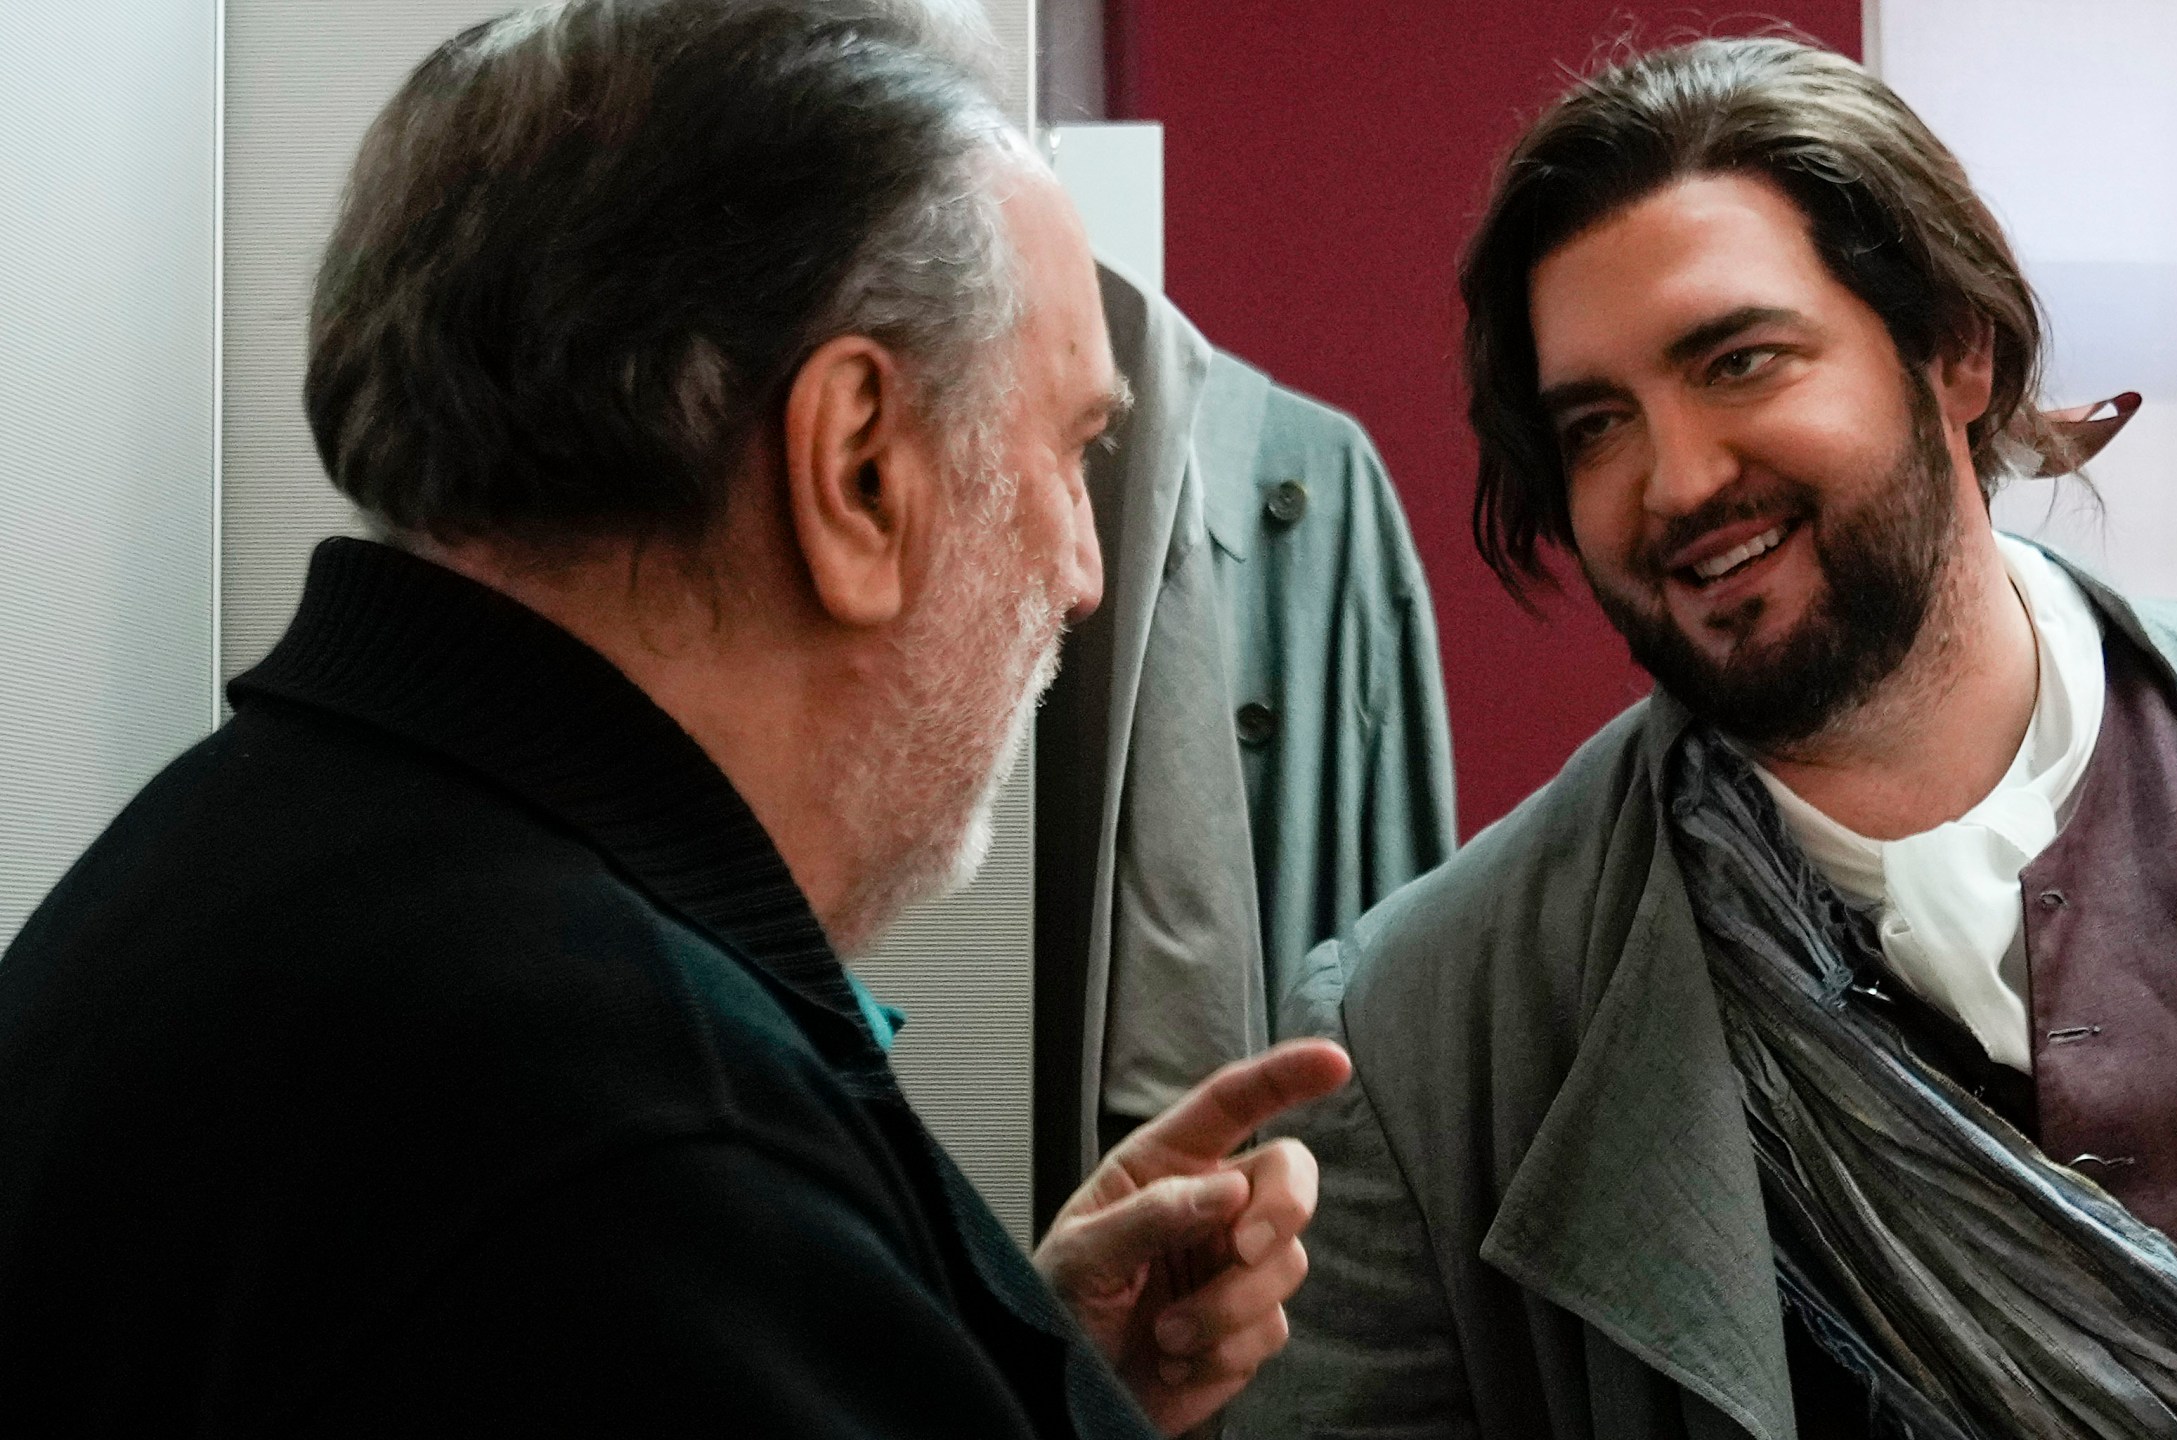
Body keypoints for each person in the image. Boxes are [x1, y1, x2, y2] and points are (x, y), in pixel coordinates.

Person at [0, 2, 1348, 1435]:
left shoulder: (239, 863)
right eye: (1074, 450)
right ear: (860, 469)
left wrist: (990, 1355)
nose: (1083, 573)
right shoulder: (637, 1146)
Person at [1230, 35, 2177, 1440]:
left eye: (1740, 360)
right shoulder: (1421, 1039)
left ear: (1955, 352)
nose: (1675, 481)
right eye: (1599, 426)